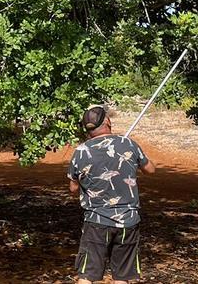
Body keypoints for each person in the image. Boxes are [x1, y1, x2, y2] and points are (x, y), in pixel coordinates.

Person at [67, 106, 157, 284]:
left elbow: (73, 188)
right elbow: (151, 169)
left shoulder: (81, 152)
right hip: (128, 222)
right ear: (107, 122)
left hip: (96, 222)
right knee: (122, 277)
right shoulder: (128, 144)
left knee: (87, 276)